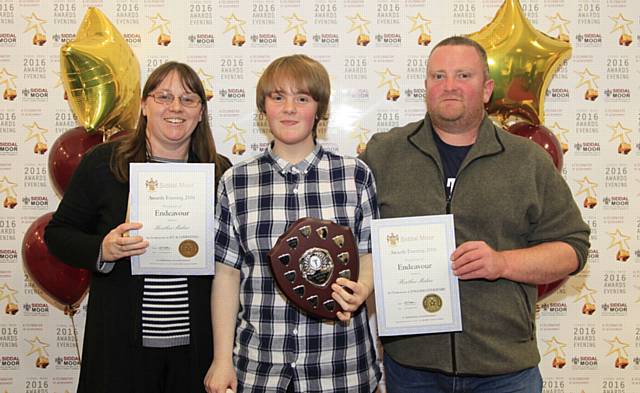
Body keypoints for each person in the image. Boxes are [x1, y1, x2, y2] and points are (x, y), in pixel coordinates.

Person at [359, 36, 591, 393]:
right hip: (412, 369)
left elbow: (572, 249)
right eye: (438, 76)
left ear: (487, 89)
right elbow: (356, 240)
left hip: (505, 371)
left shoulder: (527, 160)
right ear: (426, 87)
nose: (449, 86)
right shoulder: (384, 154)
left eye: (463, 75)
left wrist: (501, 263)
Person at [45, 61, 231, 393]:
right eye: (164, 97)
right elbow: (58, 234)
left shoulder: (220, 172)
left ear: (201, 112)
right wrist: (103, 249)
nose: (176, 107)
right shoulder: (104, 163)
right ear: (144, 105)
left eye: (188, 99)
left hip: (197, 350)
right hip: (120, 348)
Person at [204, 54, 380, 393]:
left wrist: (363, 288)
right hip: (260, 368)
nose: (289, 108)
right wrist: (222, 359)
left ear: (319, 109)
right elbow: (227, 275)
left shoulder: (355, 175)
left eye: (302, 98)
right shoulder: (235, 181)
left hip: (340, 367)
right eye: (278, 97)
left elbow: (370, 255)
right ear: (263, 108)